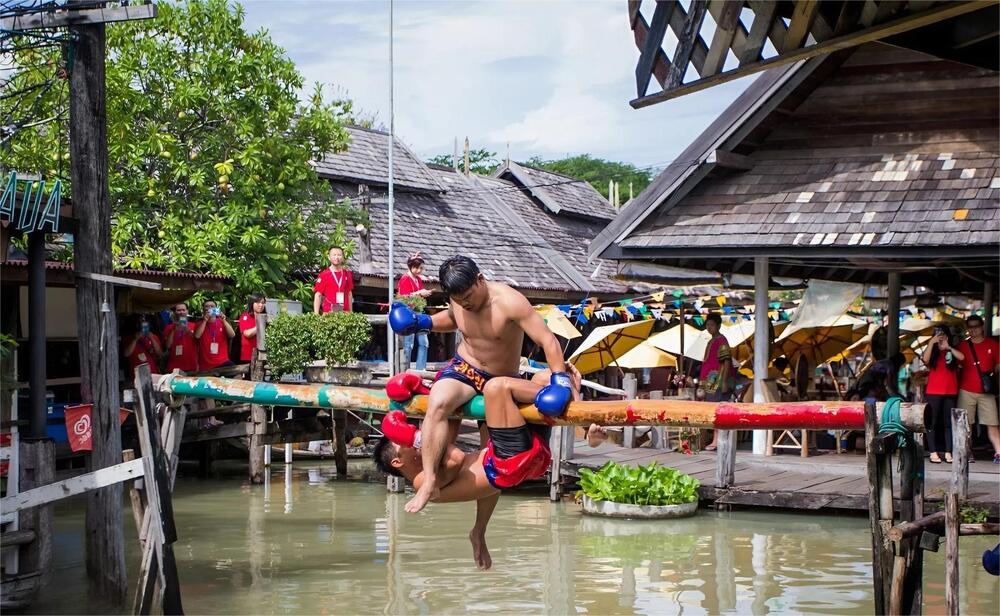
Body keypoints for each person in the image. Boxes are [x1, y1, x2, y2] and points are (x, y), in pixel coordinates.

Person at [387, 255, 574, 513]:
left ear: (480, 280)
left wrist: (560, 380)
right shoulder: (457, 300)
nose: (465, 304)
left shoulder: (510, 301)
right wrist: (424, 323)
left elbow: (548, 341)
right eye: (459, 300)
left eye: (468, 297)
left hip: (499, 380)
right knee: (438, 401)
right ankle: (430, 479)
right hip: (465, 367)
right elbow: (453, 318)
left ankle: (480, 529)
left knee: (490, 457)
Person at [374, 366, 581, 568]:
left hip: (510, 463)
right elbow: (456, 457)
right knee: (496, 388)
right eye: (402, 442)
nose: (411, 439)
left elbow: (487, 485)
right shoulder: (422, 483)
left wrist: (479, 530)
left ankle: (575, 400)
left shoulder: (436, 464)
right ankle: (569, 399)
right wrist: (417, 437)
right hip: (510, 460)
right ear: (397, 461)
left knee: (544, 377)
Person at [957, 314, 1000, 463]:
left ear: (982, 327)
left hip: (986, 391)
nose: (974, 330)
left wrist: (991, 374)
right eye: (970, 327)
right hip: (966, 390)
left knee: (992, 423)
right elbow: (957, 366)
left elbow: (998, 365)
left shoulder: (993, 344)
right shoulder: (963, 345)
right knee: (966, 424)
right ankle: (967, 452)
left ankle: (999, 453)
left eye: (976, 326)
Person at [921, 325, 964, 463]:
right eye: (937, 334)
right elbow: (925, 360)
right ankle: (933, 452)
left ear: (948, 336)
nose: (940, 337)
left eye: (943, 334)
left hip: (950, 391)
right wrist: (931, 342)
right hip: (933, 392)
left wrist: (949, 347)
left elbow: (962, 358)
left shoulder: (952, 350)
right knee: (931, 423)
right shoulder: (932, 351)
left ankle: (948, 452)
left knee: (948, 423)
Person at [698, 313, 734, 451]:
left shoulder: (721, 341)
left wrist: (724, 382)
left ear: (718, 326)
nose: (709, 328)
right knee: (712, 410)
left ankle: (717, 440)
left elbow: (726, 361)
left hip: (717, 380)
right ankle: (713, 439)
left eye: (712, 325)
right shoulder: (711, 341)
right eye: (707, 325)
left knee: (717, 411)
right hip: (710, 381)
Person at [397, 252, 433, 370]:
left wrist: (424, 293)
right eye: (416, 267)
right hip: (408, 313)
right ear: (410, 267)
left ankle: (421, 369)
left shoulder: (418, 279)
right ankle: (405, 369)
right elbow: (403, 296)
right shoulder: (404, 279)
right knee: (408, 343)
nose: (418, 270)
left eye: (420, 268)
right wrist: (419, 293)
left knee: (424, 342)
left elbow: (418, 293)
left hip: (418, 311)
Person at [195, 299, 235, 371]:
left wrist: (223, 320)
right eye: (207, 306)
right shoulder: (199, 323)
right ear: (203, 309)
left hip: (223, 362)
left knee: (237, 374)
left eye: (212, 306)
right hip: (205, 365)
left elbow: (232, 335)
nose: (209, 308)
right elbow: (197, 336)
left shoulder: (222, 322)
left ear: (216, 309)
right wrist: (205, 320)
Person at [313, 245, 354, 314]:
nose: (337, 257)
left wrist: (351, 312)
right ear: (329, 257)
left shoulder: (347, 274)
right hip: (328, 313)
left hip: (345, 313)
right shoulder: (324, 274)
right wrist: (316, 314)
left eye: (339, 255)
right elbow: (318, 295)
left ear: (343, 257)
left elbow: (349, 294)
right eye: (334, 255)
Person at [164, 303, 198, 373]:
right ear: (174, 312)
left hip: (191, 366)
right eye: (178, 310)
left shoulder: (194, 325)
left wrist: (187, 330)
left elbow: (198, 342)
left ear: (187, 311)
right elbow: (168, 346)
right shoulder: (169, 327)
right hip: (173, 368)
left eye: (183, 310)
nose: (181, 312)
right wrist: (174, 329)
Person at [238, 293, 267, 362]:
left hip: (264, 355)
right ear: (252, 303)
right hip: (249, 356)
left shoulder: (267, 317)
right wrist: (261, 324)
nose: (261, 305)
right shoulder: (245, 317)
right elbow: (247, 334)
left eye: (262, 303)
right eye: (257, 302)